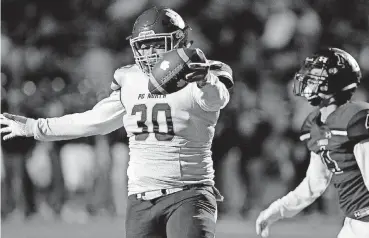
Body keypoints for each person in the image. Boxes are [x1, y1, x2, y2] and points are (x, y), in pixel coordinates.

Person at [0, 6, 233, 238]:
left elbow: (216, 100)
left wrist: (206, 80)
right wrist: (34, 127)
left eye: (156, 43)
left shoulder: (200, 73)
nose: (149, 52)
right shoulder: (130, 79)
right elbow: (92, 121)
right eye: (143, 45)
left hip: (189, 194)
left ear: (178, 41)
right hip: (141, 200)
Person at [255, 48, 369, 238]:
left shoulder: (354, 119)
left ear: (336, 81)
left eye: (316, 75)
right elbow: (313, 185)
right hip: (354, 221)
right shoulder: (314, 125)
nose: (308, 79)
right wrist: (277, 210)